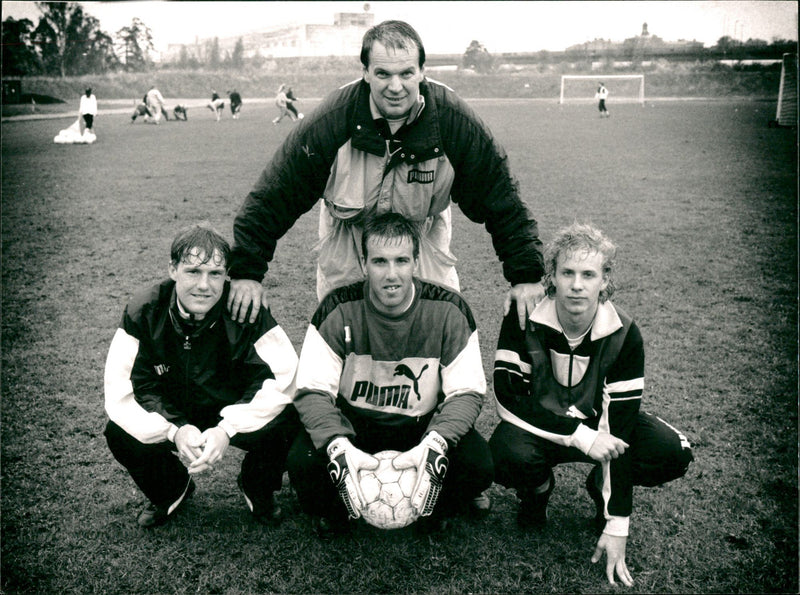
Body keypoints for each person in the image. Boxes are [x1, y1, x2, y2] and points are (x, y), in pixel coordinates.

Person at [229, 20, 545, 335]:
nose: (396, 87)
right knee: (346, 331)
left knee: (435, 326)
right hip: (348, 233)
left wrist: (526, 276)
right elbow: (275, 194)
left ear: (423, 71)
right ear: (365, 73)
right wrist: (246, 272)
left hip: (422, 233)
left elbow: (500, 197)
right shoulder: (332, 121)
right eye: (383, 74)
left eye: (406, 73)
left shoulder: (452, 122)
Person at [489, 222, 694, 587]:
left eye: (588, 274)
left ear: (605, 280)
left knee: (671, 451)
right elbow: (509, 400)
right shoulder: (522, 319)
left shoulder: (624, 332)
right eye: (567, 272)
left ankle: (600, 488)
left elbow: (618, 427)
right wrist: (580, 436)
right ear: (551, 276)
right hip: (545, 429)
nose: (577, 284)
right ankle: (536, 492)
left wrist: (618, 524)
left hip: (602, 429)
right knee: (505, 451)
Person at [286, 213, 494, 537]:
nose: (392, 275)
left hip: (420, 426)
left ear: (416, 261)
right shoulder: (337, 307)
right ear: (364, 262)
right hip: (355, 425)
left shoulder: (449, 309)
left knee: (478, 464)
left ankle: (437, 512)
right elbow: (312, 390)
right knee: (303, 461)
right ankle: (336, 514)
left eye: (401, 261)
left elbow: (466, 391)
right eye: (380, 262)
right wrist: (337, 445)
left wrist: (437, 441)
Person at [103, 222, 300, 528]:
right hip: (174, 411)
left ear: (228, 275)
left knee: (290, 418)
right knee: (118, 431)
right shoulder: (143, 310)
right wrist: (175, 430)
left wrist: (228, 429)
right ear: (173, 269)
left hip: (231, 407)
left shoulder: (247, 309)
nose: (204, 285)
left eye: (215, 274)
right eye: (193, 271)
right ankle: (171, 491)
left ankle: (258, 488)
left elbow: (282, 380)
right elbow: (126, 390)